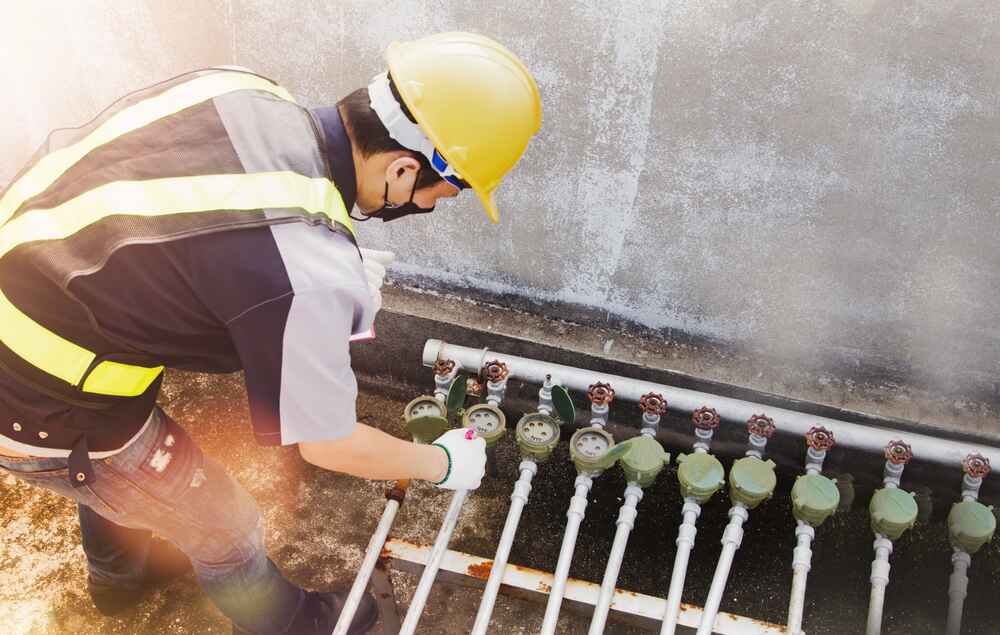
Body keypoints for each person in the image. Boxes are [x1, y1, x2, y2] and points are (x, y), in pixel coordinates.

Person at [0, 32, 541, 634]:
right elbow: (326, 442)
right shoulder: (305, 269)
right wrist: (438, 462)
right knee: (225, 524)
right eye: (450, 188)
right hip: (38, 401)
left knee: (127, 478)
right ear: (404, 166)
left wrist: (307, 282)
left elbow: (194, 249)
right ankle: (293, 623)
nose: (438, 204)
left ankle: (122, 578)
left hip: (42, 298)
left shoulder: (243, 90)